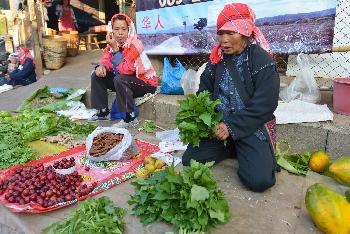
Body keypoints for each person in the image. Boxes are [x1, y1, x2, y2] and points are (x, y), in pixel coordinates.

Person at [182, 3, 280, 192]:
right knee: (190, 161)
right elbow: (204, 95)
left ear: (245, 33)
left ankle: (241, 144)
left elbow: (265, 105)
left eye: (231, 33)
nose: (224, 40)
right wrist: (210, 122)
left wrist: (232, 127)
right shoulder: (214, 63)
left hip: (250, 127)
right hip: (220, 127)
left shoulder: (262, 62)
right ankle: (232, 146)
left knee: (259, 181)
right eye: (221, 33)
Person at [90, 13, 158, 127]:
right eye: (116, 29)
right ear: (112, 30)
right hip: (125, 82)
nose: (120, 33)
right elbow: (106, 59)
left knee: (120, 79)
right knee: (96, 75)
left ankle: (129, 117)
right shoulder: (113, 45)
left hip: (144, 84)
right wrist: (101, 67)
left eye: (123, 29)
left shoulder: (135, 45)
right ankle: (103, 111)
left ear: (129, 30)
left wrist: (116, 50)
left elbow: (127, 71)